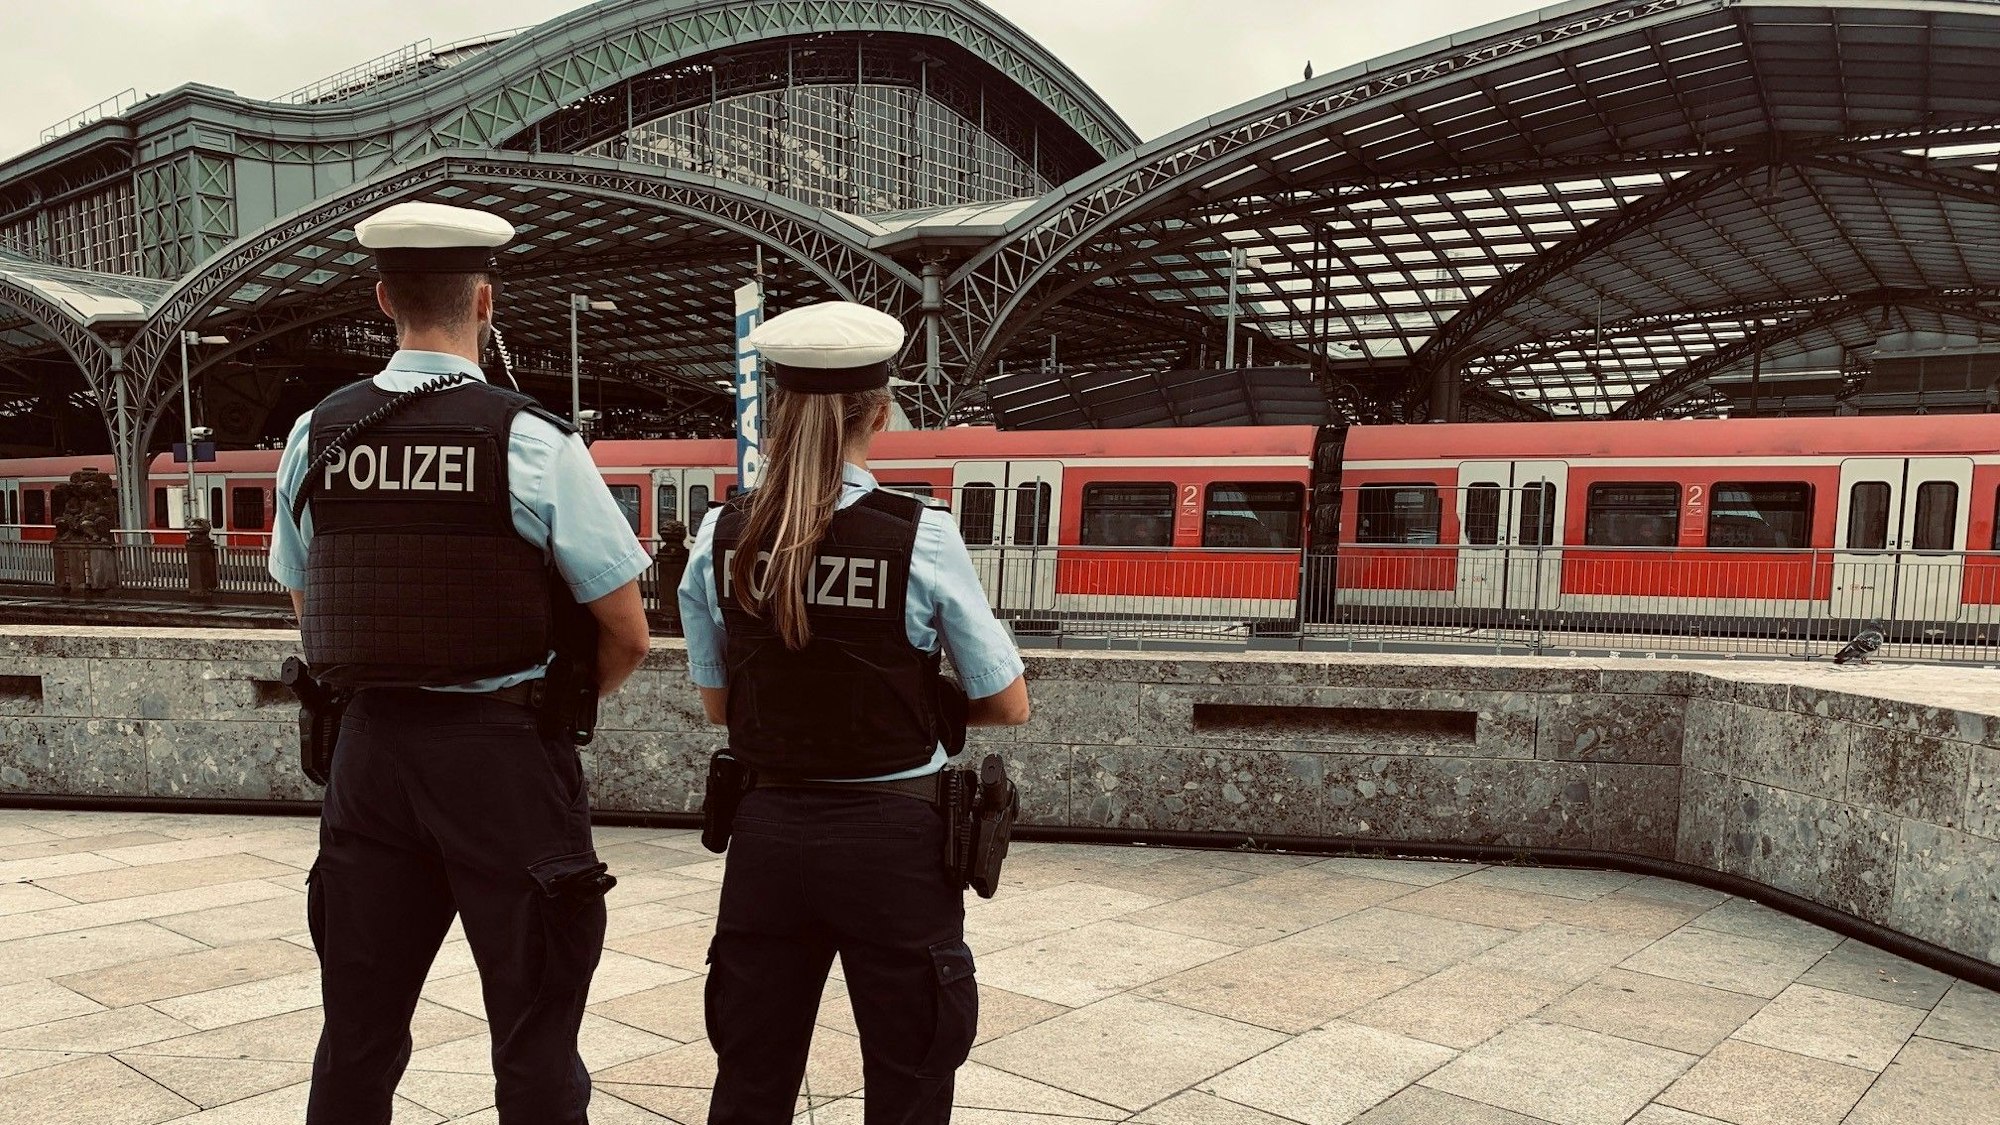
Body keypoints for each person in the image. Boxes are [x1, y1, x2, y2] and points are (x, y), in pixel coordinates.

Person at [268, 200, 654, 1125]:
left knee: (357, 1034)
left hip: (369, 761)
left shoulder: (314, 434)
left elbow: (308, 607)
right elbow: (629, 630)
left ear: (382, 298)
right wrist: (551, 709)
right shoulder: (531, 439)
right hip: (504, 760)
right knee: (533, 1032)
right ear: (485, 301)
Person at [677, 300, 1032, 1124]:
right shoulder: (923, 534)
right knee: (909, 1083)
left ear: (774, 411)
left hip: (768, 837)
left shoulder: (720, 535)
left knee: (751, 1081)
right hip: (897, 846)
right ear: (879, 412)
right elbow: (1007, 703)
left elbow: (719, 703)